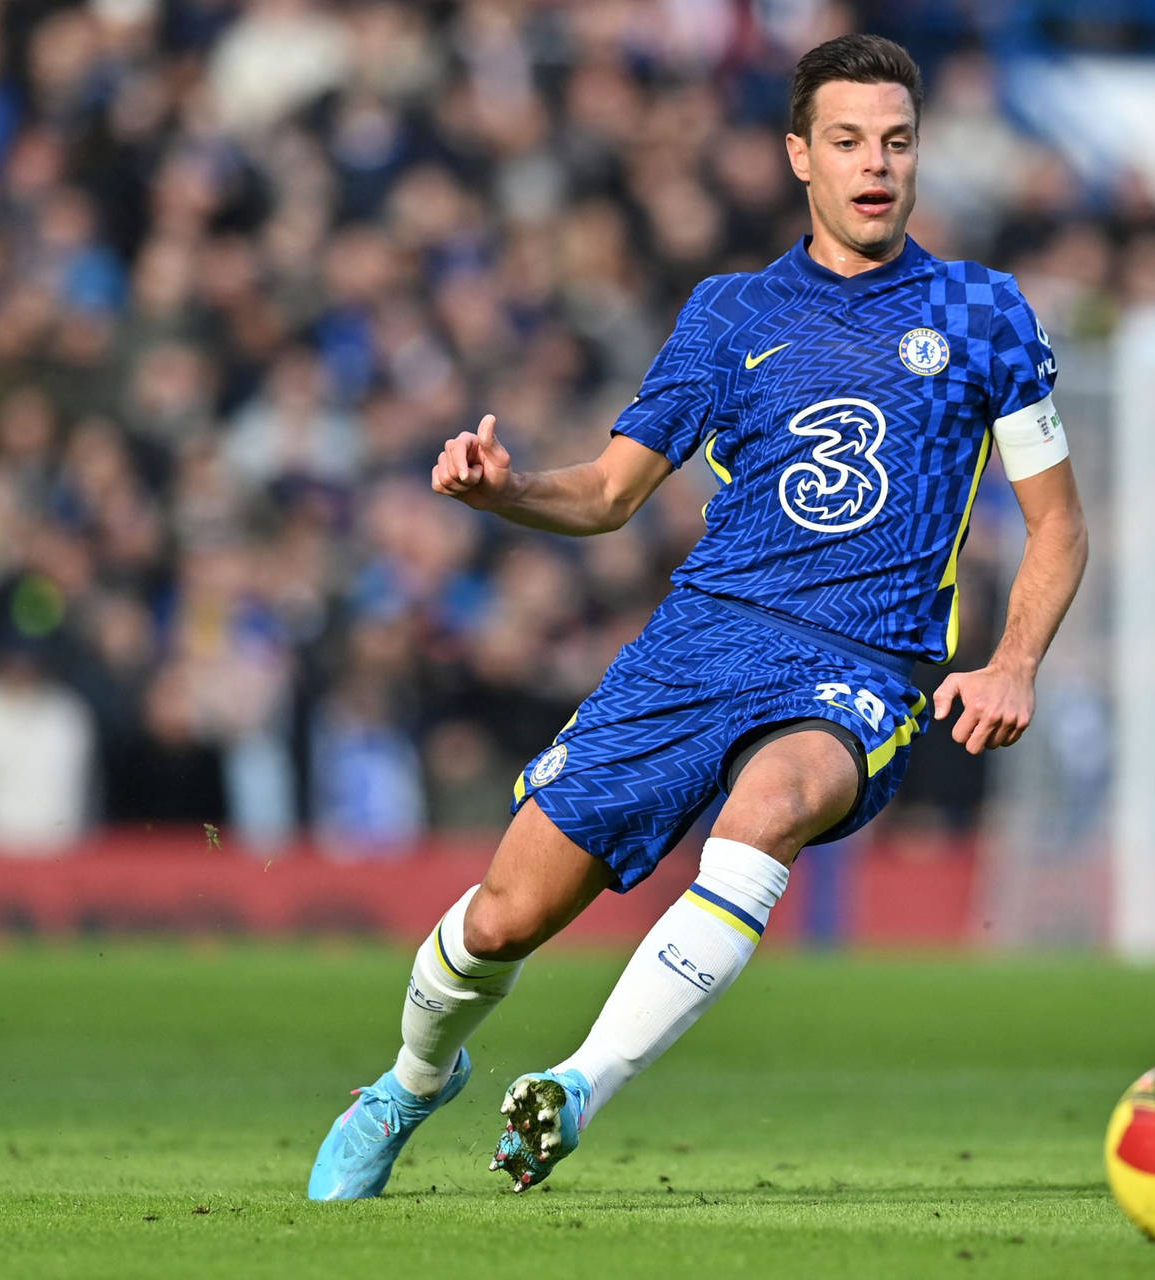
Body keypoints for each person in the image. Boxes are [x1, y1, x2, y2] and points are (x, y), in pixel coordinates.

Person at [307, 33, 1088, 1200]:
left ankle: (575, 1087)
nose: (875, 165)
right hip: (699, 644)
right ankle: (411, 1081)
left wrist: (1013, 659)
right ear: (798, 157)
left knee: (770, 806)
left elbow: (1060, 524)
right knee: (505, 918)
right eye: (846, 142)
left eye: (896, 141)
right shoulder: (729, 314)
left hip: (863, 664)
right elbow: (612, 494)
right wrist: (503, 487)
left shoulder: (983, 312)